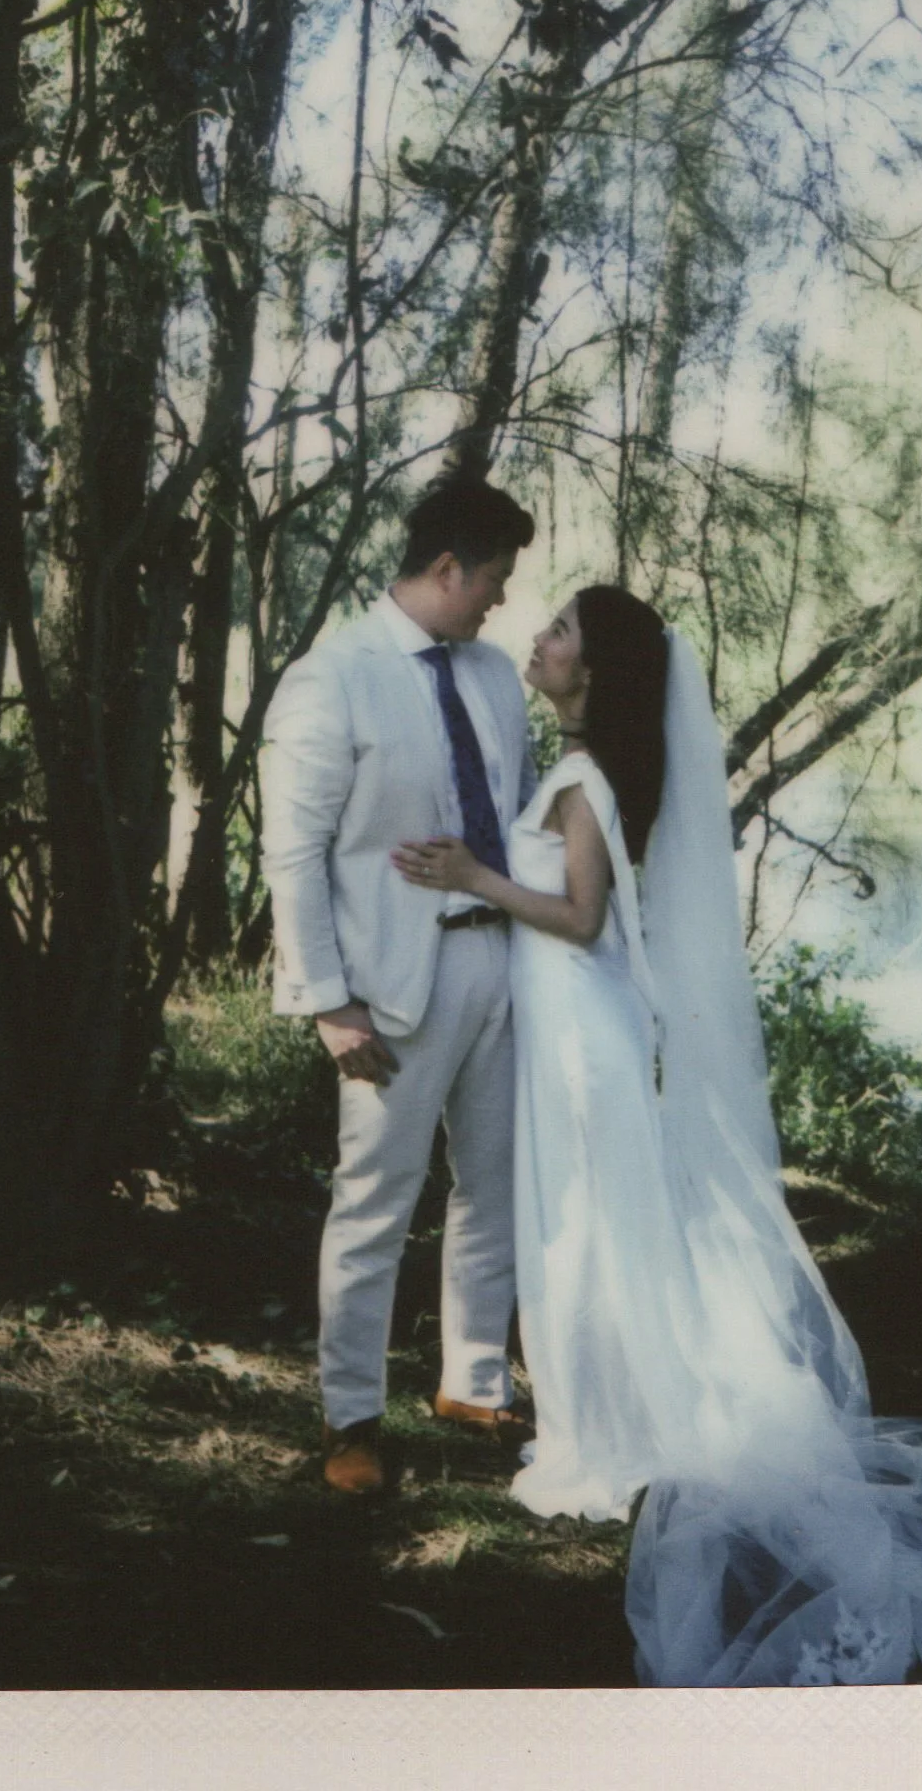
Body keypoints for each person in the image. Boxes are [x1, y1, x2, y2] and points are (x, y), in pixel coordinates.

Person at [394, 586, 922, 1686]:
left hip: (581, 1037)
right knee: (581, 1223)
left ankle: (604, 1430)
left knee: (585, 1228)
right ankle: (593, 1410)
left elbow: (576, 917)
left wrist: (472, 877)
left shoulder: (582, 780)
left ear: (597, 669)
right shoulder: (583, 770)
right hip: (579, 1024)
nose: (541, 640)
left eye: (561, 631)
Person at [260, 475, 539, 1496]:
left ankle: (471, 1380)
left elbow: (513, 818)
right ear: (445, 568)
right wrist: (328, 1001)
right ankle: (351, 1420)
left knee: (493, 1184)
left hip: (499, 963)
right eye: (493, 580)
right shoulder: (332, 675)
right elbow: (291, 854)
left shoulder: (497, 675)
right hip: (385, 988)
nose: (500, 601)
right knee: (374, 1201)